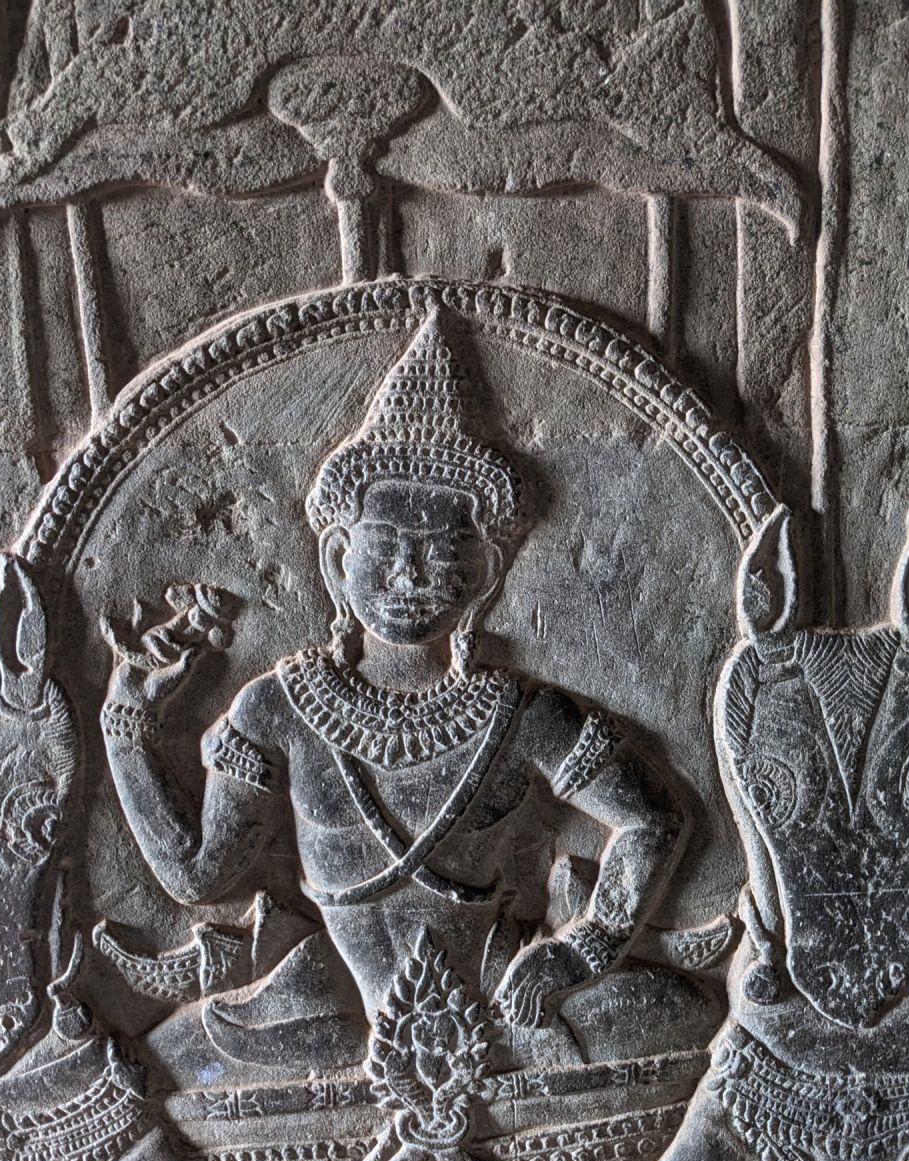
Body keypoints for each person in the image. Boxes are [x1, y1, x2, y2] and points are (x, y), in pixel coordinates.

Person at [102, 309, 687, 1073]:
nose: (411, 578)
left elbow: (650, 819)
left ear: (484, 577)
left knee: (677, 1010)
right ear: (338, 560)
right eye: (387, 550)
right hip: (332, 1003)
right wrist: (128, 727)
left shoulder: (519, 714)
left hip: (499, 999)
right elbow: (197, 876)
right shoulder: (277, 710)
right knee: (156, 1059)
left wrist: (581, 951)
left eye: (443, 555)